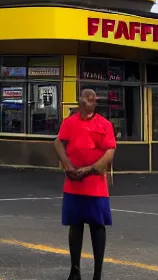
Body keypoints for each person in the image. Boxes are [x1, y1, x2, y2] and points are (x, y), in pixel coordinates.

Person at [54, 88, 116, 280]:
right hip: (73, 184)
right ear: (79, 100)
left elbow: (109, 151)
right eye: (86, 97)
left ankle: (97, 274)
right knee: (76, 225)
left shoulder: (104, 124)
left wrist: (89, 169)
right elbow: (58, 142)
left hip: (95, 184)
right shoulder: (69, 123)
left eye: (92, 98)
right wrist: (68, 165)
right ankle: (75, 271)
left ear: (95, 102)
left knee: (97, 226)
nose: (89, 101)